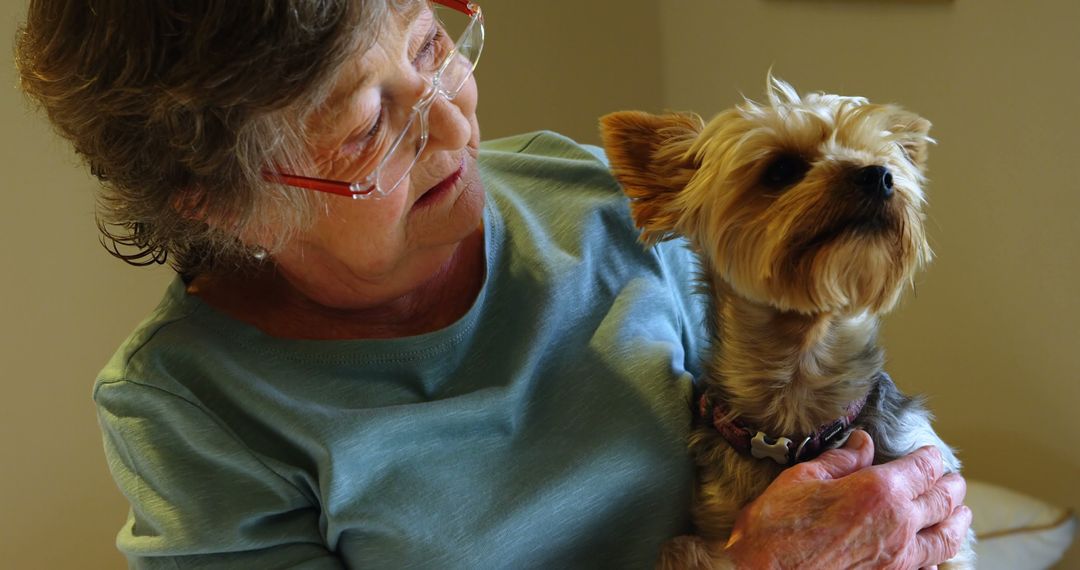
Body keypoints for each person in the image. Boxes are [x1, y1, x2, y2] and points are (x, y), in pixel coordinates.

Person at [16, 0, 971, 568]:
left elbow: (804, 429)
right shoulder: (188, 407)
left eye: (432, 50)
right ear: (221, 203)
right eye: (365, 128)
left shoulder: (592, 196)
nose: (454, 130)